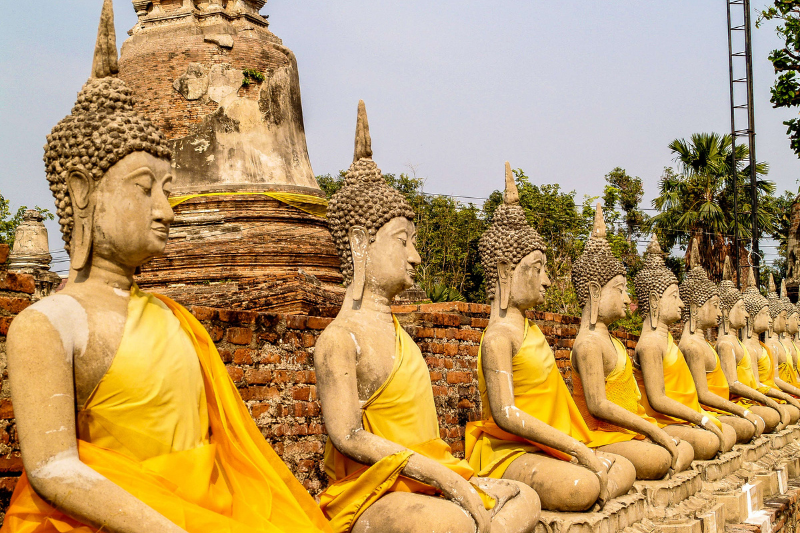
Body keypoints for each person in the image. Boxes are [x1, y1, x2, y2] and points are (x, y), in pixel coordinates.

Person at [1, 2, 332, 532]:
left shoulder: (176, 319)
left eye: (168, 189)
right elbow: (54, 470)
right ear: (84, 192)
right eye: (144, 188)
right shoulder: (47, 324)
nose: (165, 209)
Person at [315, 106, 540, 533]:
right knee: (449, 524)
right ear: (360, 242)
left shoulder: (401, 336)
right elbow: (347, 437)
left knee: (524, 496)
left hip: (435, 477)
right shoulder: (339, 339)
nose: (416, 256)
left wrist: (454, 480)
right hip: (374, 492)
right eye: (404, 242)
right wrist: (447, 480)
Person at [464, 165, 636, 513]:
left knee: (623, 467)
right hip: (509, 450)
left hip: (551, 445)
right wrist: (578, 449)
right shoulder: (499, 336)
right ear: (503, 272)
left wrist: (575, 447)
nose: (545, 280)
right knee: (581, 485)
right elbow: (507, 414)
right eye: (537, 268)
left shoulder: (532, 330)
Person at [633, 237, 733, 459]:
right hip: (663, 420)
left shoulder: (668, 341)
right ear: (654, 301)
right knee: (711, 440)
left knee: (725, 433)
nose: (680, 304)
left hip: (686, 416)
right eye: (674, 297)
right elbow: (658, 401)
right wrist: (701, 418)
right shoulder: (651, 343)